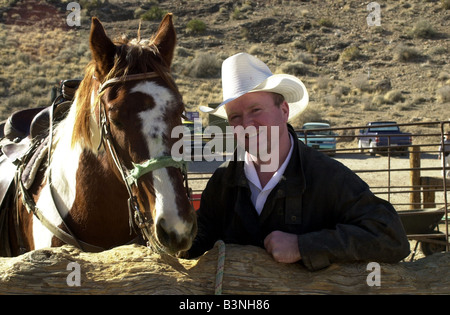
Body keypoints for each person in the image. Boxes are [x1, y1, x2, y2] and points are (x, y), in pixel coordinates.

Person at [186, 53, 410, 271]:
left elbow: (391, 237)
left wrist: (304, 246)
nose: (246, 124)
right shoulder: (223, 183)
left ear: (283, 111)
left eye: (256, 110)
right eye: (235, 116)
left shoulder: (326, 177)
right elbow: (197, 243)